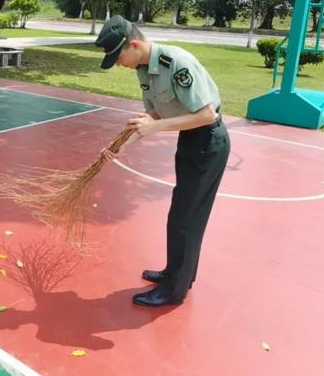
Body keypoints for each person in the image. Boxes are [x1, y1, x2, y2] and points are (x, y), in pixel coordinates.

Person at [96, 15, 230, 307]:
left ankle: (174, 291)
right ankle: (177, 274)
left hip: (208, 141)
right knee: (183, 215)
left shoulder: (175, 63)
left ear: (133, 44)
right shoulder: (144, 68)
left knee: (185, 219)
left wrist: (154, 127)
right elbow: (154, 115)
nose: (118, 63)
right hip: (191, 139)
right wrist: (122, 146)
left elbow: (208, 115)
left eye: (118, 56)